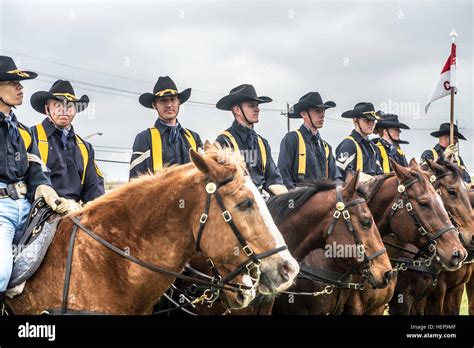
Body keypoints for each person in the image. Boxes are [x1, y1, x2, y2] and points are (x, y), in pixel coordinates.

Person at [0, 56, 68, 314]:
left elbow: (36, 169)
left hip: (30, 209)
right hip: (1, 212)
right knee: (1, 271)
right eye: (12, 82)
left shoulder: (24, 131)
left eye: (20, 83)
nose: (20, 88)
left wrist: (45, 189)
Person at [30, 80, 105, 209]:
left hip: (74, 211)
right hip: (39, 211)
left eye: (69, 106)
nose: (64, 110)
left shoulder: (85, 148)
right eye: (58, 105)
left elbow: (94, 188)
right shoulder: (31, 137)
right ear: (47, 108)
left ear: (75, 110)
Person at [215, 84, 286, 195]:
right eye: (251, 106)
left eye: (257, 105)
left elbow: (273, 179)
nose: (257, 109)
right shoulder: (224, 141)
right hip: (238, 205)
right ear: (237, 110)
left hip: (262, 204)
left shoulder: (262, 142)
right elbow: (221, 183)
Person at [129, 76, 202, 179]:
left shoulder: (195, 138)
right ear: (154, 105)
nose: (169, 105)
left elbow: (205, 177)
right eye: (163, 100)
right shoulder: (144, 138)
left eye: (173, 99)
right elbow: (135, 184)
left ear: (179, 102)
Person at [278, 91, 342, 189]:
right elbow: (283, 175)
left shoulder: (326, 147)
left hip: (323, 201)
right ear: (303, 114)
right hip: (300, 201)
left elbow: (336, 177)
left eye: (323, 111)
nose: (322, 115)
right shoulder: (292, 139)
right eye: (317, 111)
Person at [335, 102, 383, 180]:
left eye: (373, 121)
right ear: (355, 121)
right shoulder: (349, 144)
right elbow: (339, 175)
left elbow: (379, 174)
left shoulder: (373, 147)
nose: (371, 124)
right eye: (367, 120)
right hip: (355, 191)